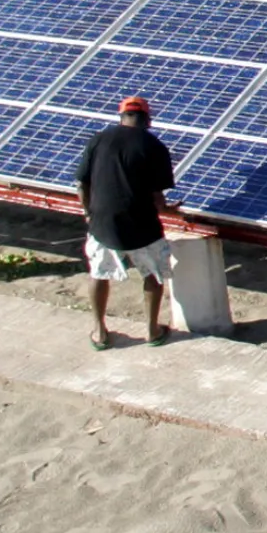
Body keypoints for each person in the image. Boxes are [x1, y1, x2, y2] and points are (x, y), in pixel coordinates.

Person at [75, 95, 177, 350]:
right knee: (153, 274)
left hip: (103, 222)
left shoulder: (98, 140)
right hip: (142, 224)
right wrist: (168, 210)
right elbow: (157, 197)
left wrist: (88, 212)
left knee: (98, 273)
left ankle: (99, 332)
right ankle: (153, 331)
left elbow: (81, 184)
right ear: (148, 120)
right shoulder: (154, 146)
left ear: (121, 117)